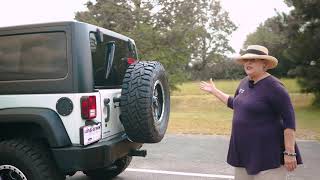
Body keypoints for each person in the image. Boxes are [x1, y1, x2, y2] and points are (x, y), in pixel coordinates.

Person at [199, 45, 302, 180]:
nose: (248, 63)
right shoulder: (244, 83)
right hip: (244, 152)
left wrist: (290, 153)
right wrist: (214, 91)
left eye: (253, 60)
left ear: (264, 64)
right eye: (246, 60)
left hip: (268, 155)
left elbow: (289, 121)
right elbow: (235, 103)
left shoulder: (275, 87)